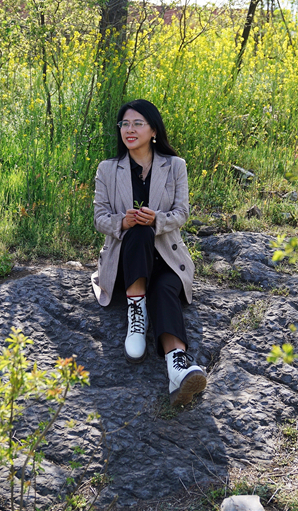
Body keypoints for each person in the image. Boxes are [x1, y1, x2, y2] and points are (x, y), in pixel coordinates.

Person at [91, 99, 207, 406]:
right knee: (138, 231)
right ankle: (136, 313)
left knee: (165, 291)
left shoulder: (175, 166)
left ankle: (177, 368)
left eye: (137, 124)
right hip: (126, 261)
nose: (129, 130)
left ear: (153, 130)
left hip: (167, 257)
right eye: (125, 124)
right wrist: (122, 222)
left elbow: (182, 212)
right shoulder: (107, 169)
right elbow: (99, 218)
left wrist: (158, 219)